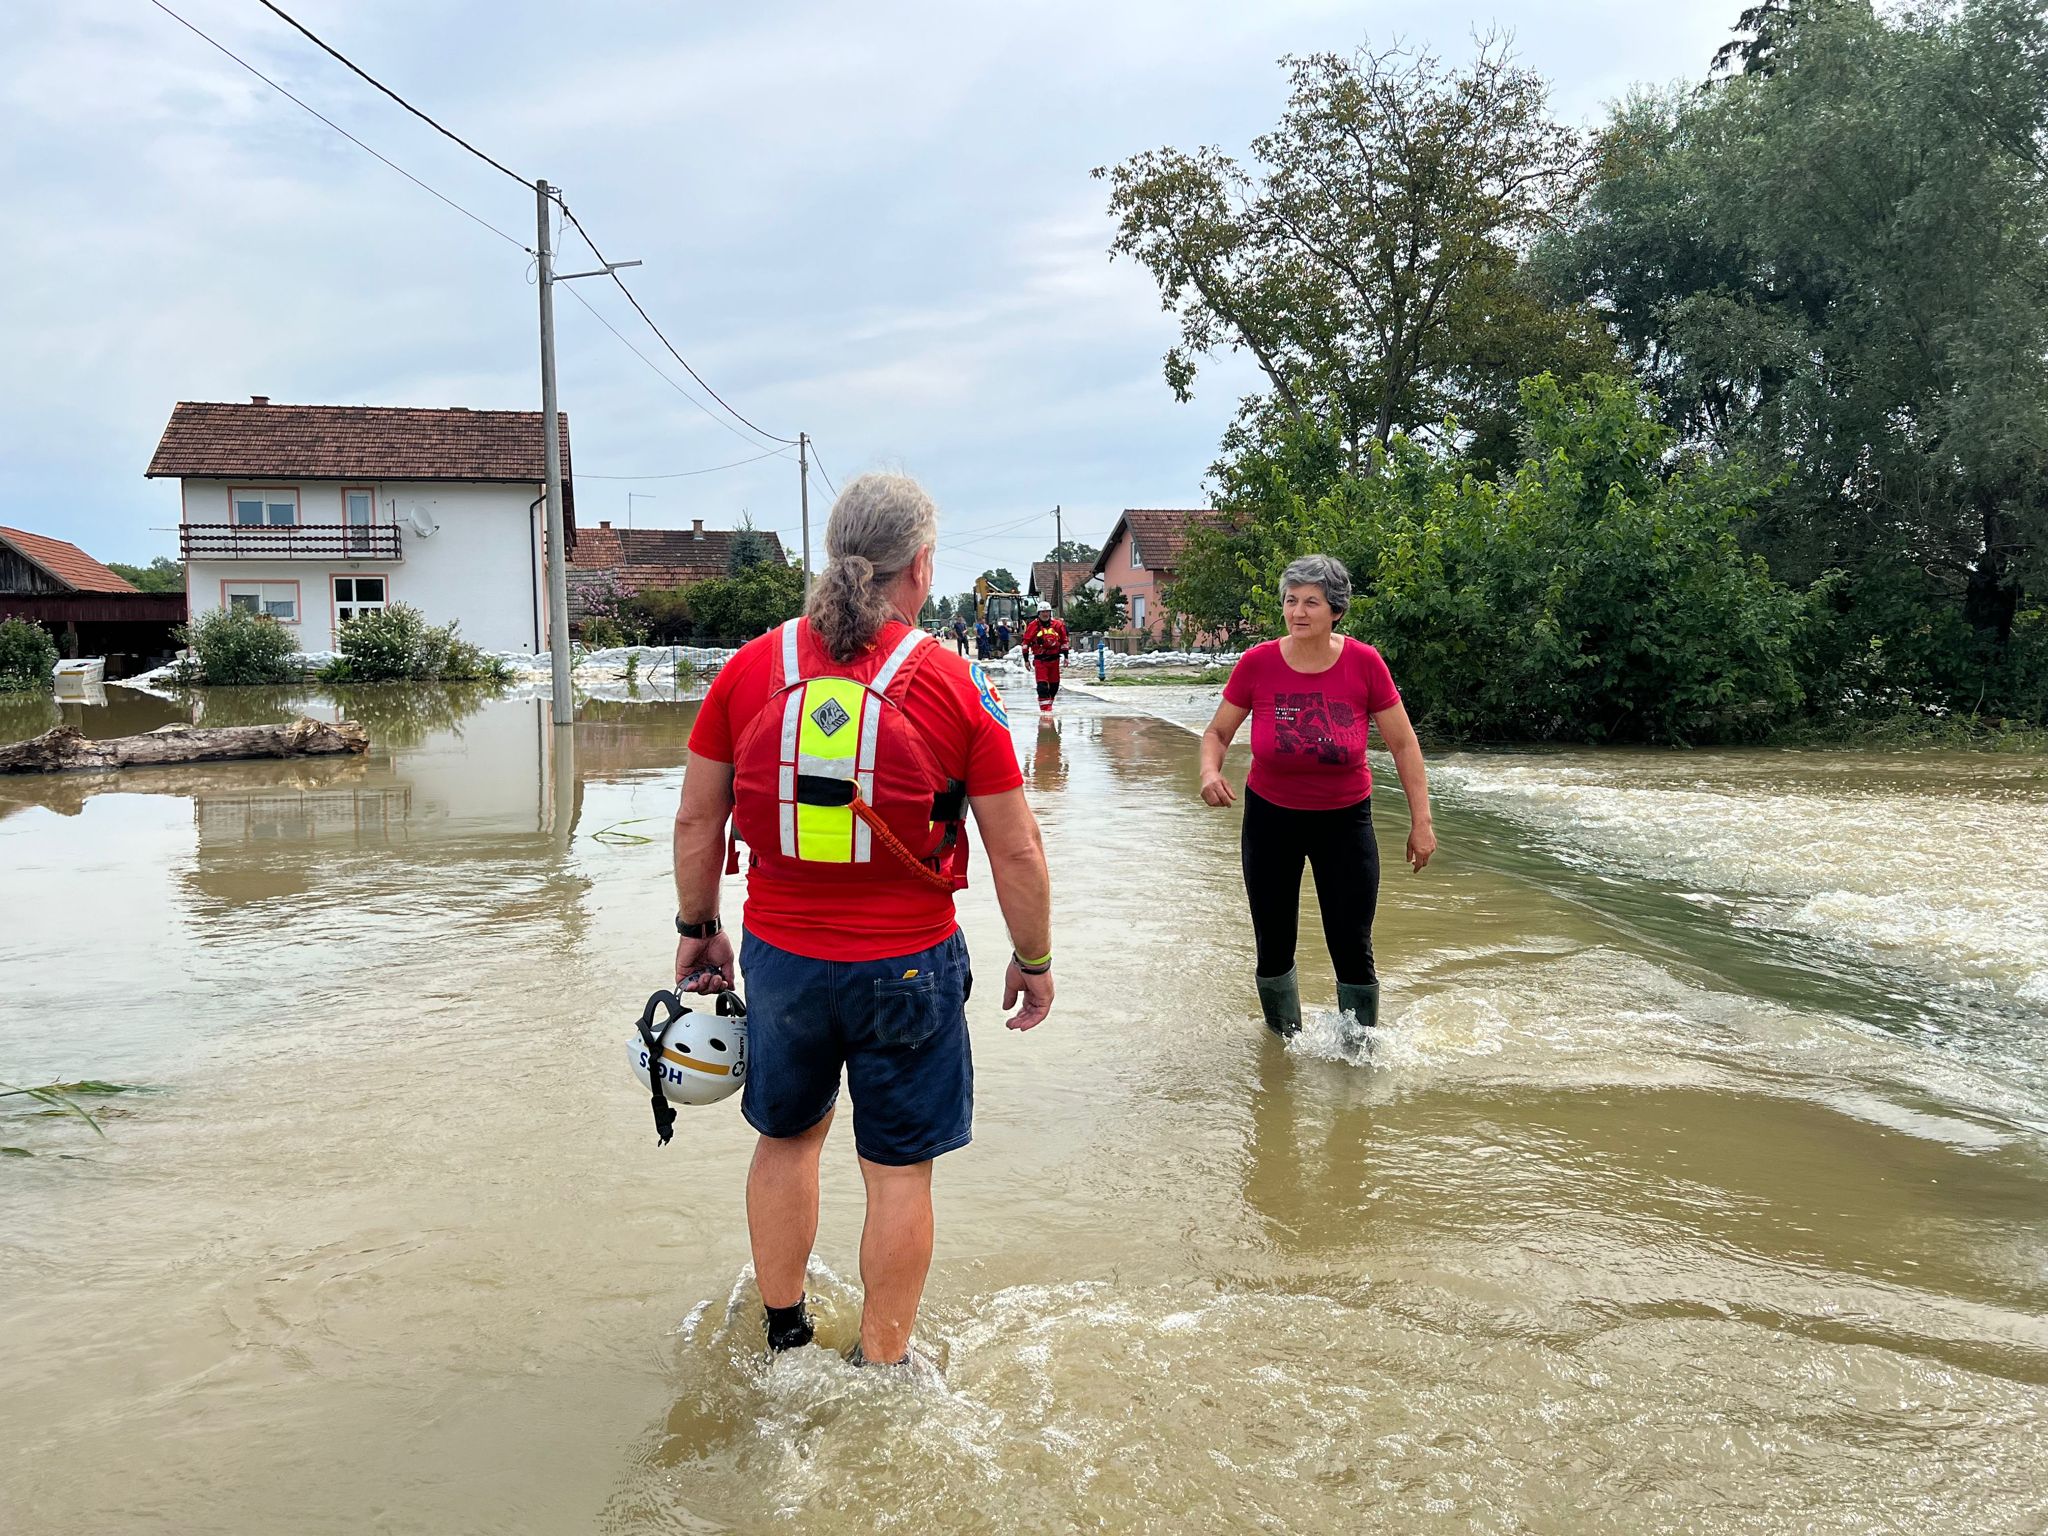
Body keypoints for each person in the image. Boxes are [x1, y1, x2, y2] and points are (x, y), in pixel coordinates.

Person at [672, 473, 1056, 1369]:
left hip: (781, 963)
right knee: (897, 1173)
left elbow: (697, 818)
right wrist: (1032, 957)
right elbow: (1018, 848)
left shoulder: (750, 668)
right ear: (921, 568)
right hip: (910, 969)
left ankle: (783, 1338)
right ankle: (884, 1363)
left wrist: (699, 926)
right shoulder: (957, 683)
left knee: (787, 1140)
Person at [1196, 554, 1434, 1038]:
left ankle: (1358, 1052)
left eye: (1311, 602)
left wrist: (1422, 822)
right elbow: (1217, 733)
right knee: (1274, 941)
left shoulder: (1365, 664)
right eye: (1290, 600)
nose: (1298, 612)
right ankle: (1282, 1050)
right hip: (1270, 819)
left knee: (1351, 943)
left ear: (1336, 611)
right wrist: (1208, 772)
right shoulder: (1257, 662)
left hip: (1344, 821)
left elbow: (1404, 744)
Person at [1020, 600, 1071, 714]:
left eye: (1047, 611)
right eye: (1043, 612)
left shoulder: (1058, 625)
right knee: (1042, 686)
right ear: (1038, 613)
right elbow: (1026, 643)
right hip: (1040, 660)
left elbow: (1064, 641)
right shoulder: (1033, 626)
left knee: (1054, 686)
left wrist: (1066, 657)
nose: (1045, 614)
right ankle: (1045, 710)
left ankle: (1049, 704)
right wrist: (1026, 660)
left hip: (1054, 659)